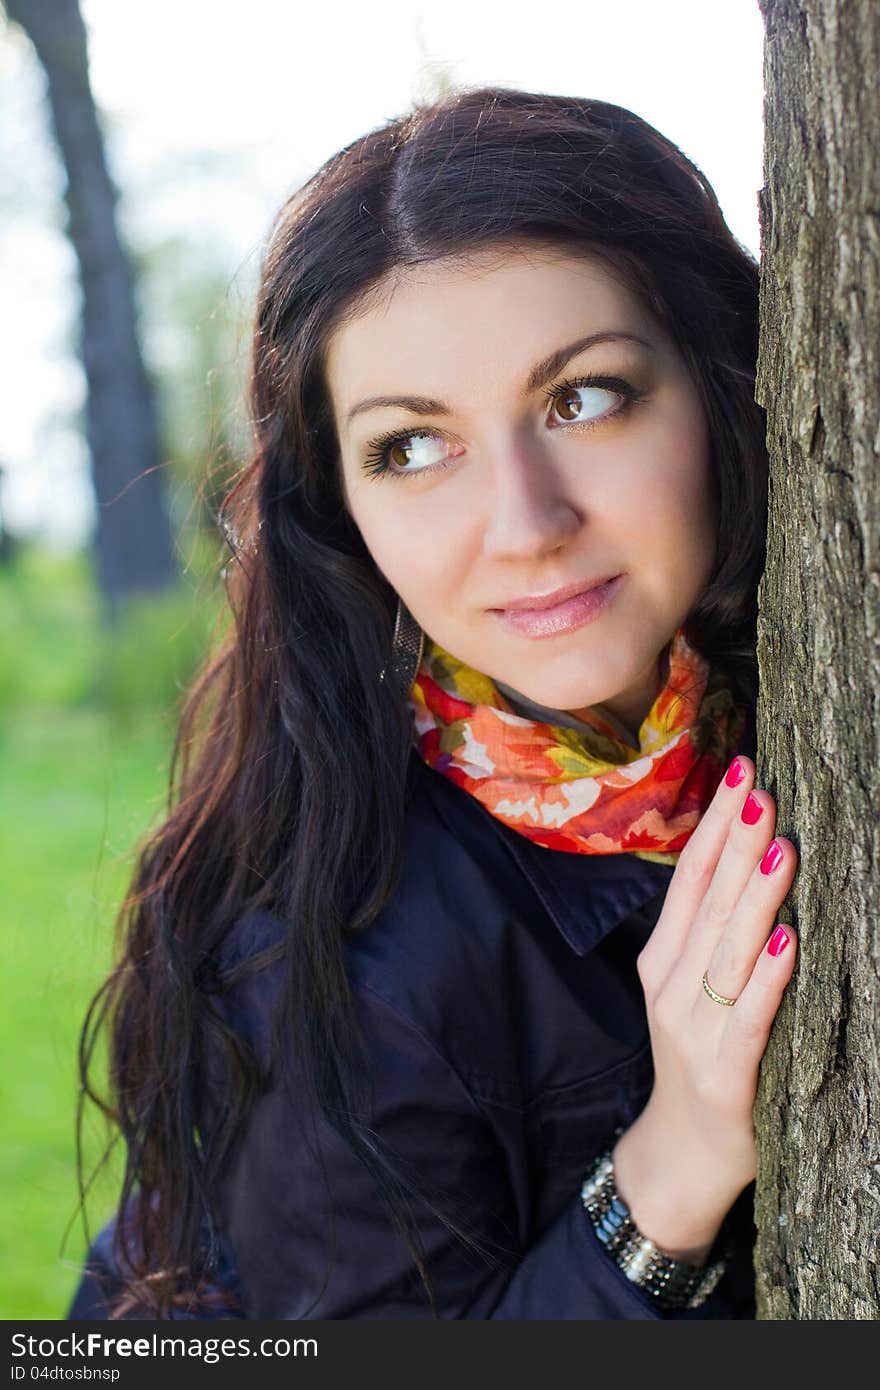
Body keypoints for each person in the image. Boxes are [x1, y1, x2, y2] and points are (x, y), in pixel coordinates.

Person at [67, 84, 798, 1321]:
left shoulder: (753, 702)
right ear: (341, 510)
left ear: (722, 376)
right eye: (413, 446)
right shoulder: (333, 955)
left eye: (585, 396)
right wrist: (670, 1167)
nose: (523, 525)